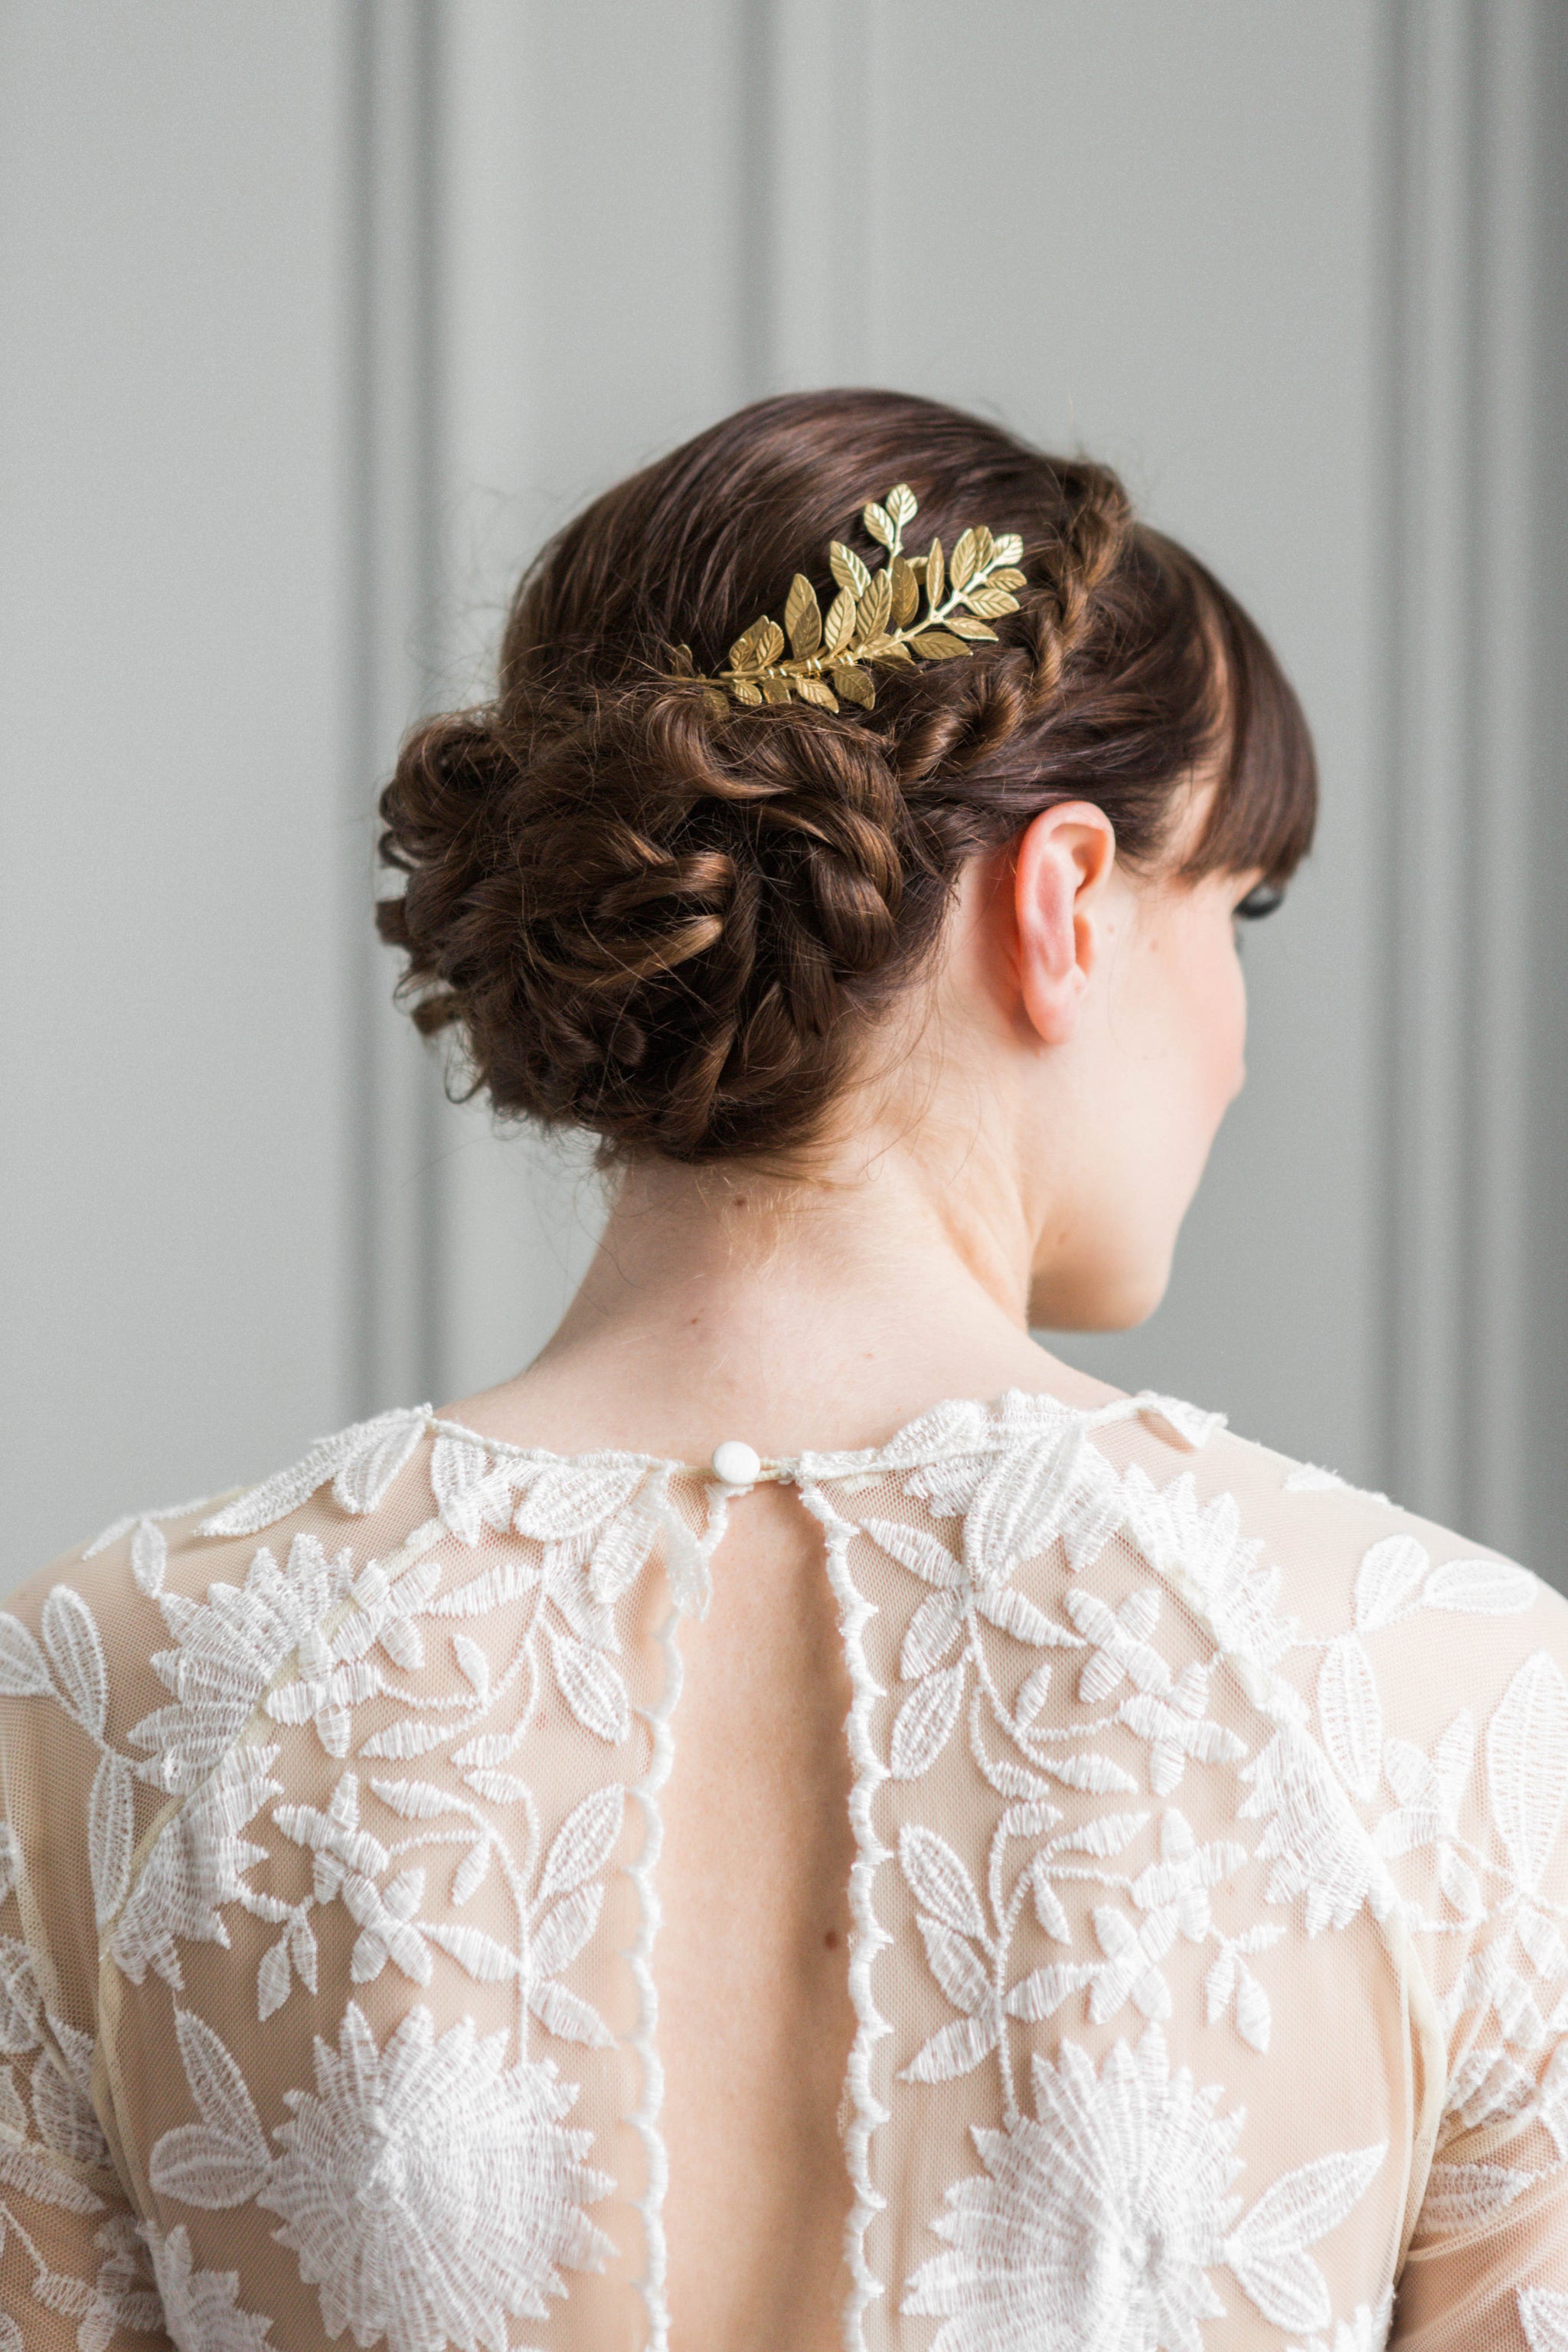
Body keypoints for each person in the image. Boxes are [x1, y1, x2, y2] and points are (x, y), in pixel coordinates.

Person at [2, 390, 1563, 2352]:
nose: (1240, 1040)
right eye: (1231, 912)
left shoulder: (111, 1688)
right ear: (1065, 903)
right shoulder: (1455, 1704)